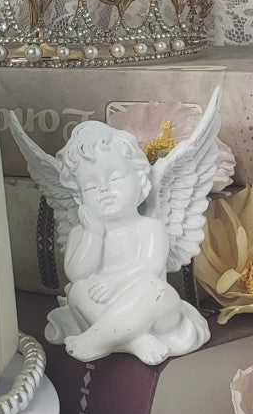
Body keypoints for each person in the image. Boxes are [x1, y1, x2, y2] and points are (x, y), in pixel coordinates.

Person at [45, 122, 209, 364]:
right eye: (90, 186)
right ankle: (133, 341)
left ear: (141, 179)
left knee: (156, 291)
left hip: (151, 309)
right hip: (103, 306)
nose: (103, 189)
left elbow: (150, 267)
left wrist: (114, 282)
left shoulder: (149, 227)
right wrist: (94, 234)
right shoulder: (81, 233)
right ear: (79, 196)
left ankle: (96, 340)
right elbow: (76, 273)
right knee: (78, 291)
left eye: (115, 177)